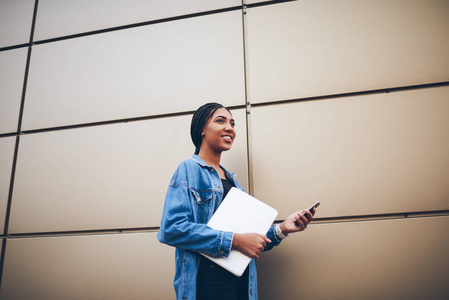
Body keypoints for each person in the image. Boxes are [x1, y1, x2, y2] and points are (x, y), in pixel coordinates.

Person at [157, 103, 315, 300]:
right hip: (207, 286)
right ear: (202, 130)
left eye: (232, 123)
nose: (230, 127)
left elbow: (249, 242)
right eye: (220, 121)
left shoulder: (235, 184)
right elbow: (171, 229)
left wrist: (282, 229)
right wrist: (235, 240)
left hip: (242, 286)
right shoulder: (189, 169)